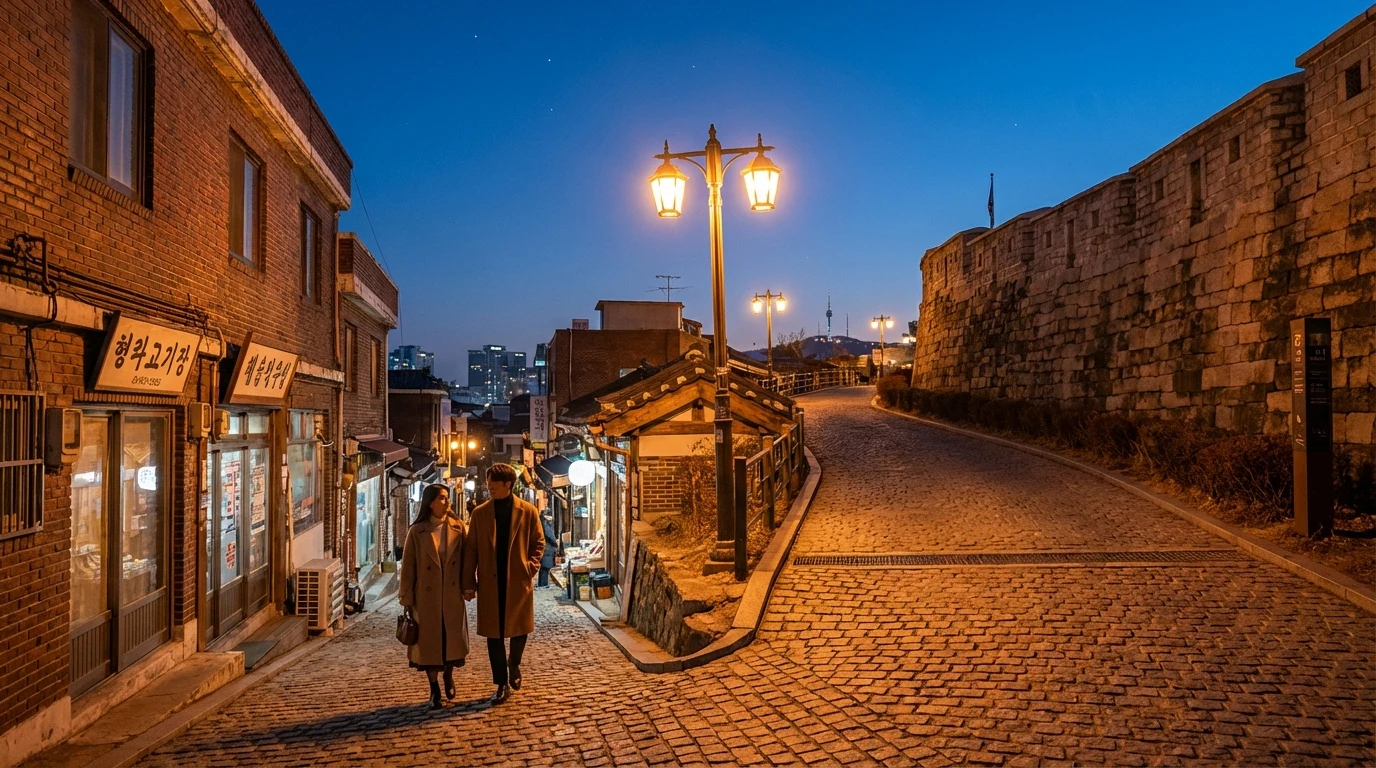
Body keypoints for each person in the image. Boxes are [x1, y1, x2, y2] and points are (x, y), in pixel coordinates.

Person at [462, 464, 543, 704]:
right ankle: (500, 683)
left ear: (508, 484)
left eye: (493, 486)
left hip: (517, 578)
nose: (490, 490)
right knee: (493, 635)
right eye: (488, 486)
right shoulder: (480, 513)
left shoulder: (527, 511)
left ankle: (514, 665)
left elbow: (538, 542)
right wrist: (469, 582)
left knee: (520, 627)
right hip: (490, 580)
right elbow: (472, 549)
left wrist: (530, 566)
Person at [398, 484, 470, 710]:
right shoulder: (417, 531)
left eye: (447, 498)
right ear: (430, 502)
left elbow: (468, 561)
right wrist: (406, 599)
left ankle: (448, 674)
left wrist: (469, 586)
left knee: (450, 641)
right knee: (429, 646)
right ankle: (434, 689)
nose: (447, 502)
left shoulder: (459, 528)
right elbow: (408, 567)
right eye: (442, 498)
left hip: (451, 595)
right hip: (425, 599)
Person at [537, 510, 557, 588]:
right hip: (547, 548)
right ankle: (543, 584)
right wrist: (555, 543)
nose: (551, 518)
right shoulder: (545, 523)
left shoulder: (541, 522)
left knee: (544, 567)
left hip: (545, 547)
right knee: (545, 566)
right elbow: (549, 535)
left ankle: (542, 583)